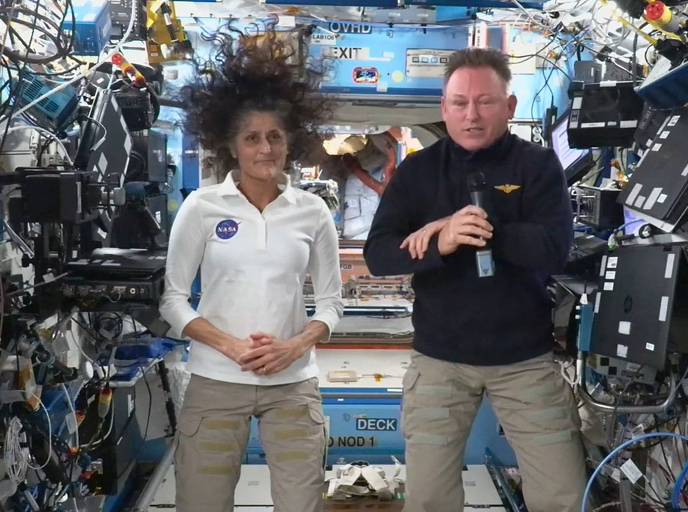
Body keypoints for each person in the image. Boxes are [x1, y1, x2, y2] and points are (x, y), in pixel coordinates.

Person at [364, 47, 586, 512]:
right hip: (440, 359)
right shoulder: (417, 172)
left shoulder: (538, 165)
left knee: (561, 495)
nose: (471, 115)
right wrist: (442, 242)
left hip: (524, 359)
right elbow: (379, 255)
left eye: (485, 102)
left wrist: (488, 229)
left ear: (509, 107)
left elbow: (554, 249)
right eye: (459, 103)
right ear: (443, 109)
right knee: (427, 499)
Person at [159, 28, 343, 512]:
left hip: (293, 383)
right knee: (202, 502)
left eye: (275, 137)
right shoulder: (201, 207)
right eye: (253, 138)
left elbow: (330, 303)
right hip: (217, 380)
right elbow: (173, 299)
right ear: (232, 145)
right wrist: (231, 346)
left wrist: (295, 344)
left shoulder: (312, 211)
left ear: (291, 142)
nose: (266, 148)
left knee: (302, 503)